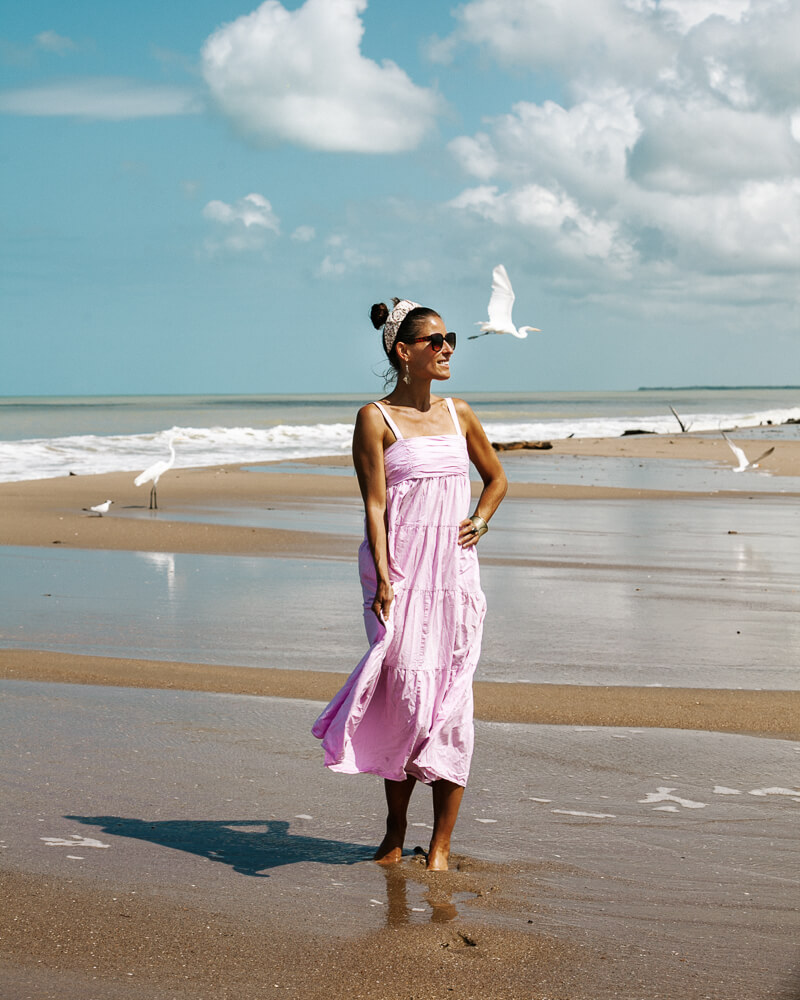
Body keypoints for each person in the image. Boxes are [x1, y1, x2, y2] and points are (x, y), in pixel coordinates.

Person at [312, 297, 507, 871]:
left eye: (450, 341)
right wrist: (382, 580)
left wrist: (481, 518)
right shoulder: (375, 418)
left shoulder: (460, 413)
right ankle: (396, 828)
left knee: (451, 703)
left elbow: (496, 479)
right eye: (436, 341)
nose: (448, 349)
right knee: (405, 700)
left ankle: (441, 846)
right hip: (399, 575)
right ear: (405, 351)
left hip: (453, 575)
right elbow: (375, 506)